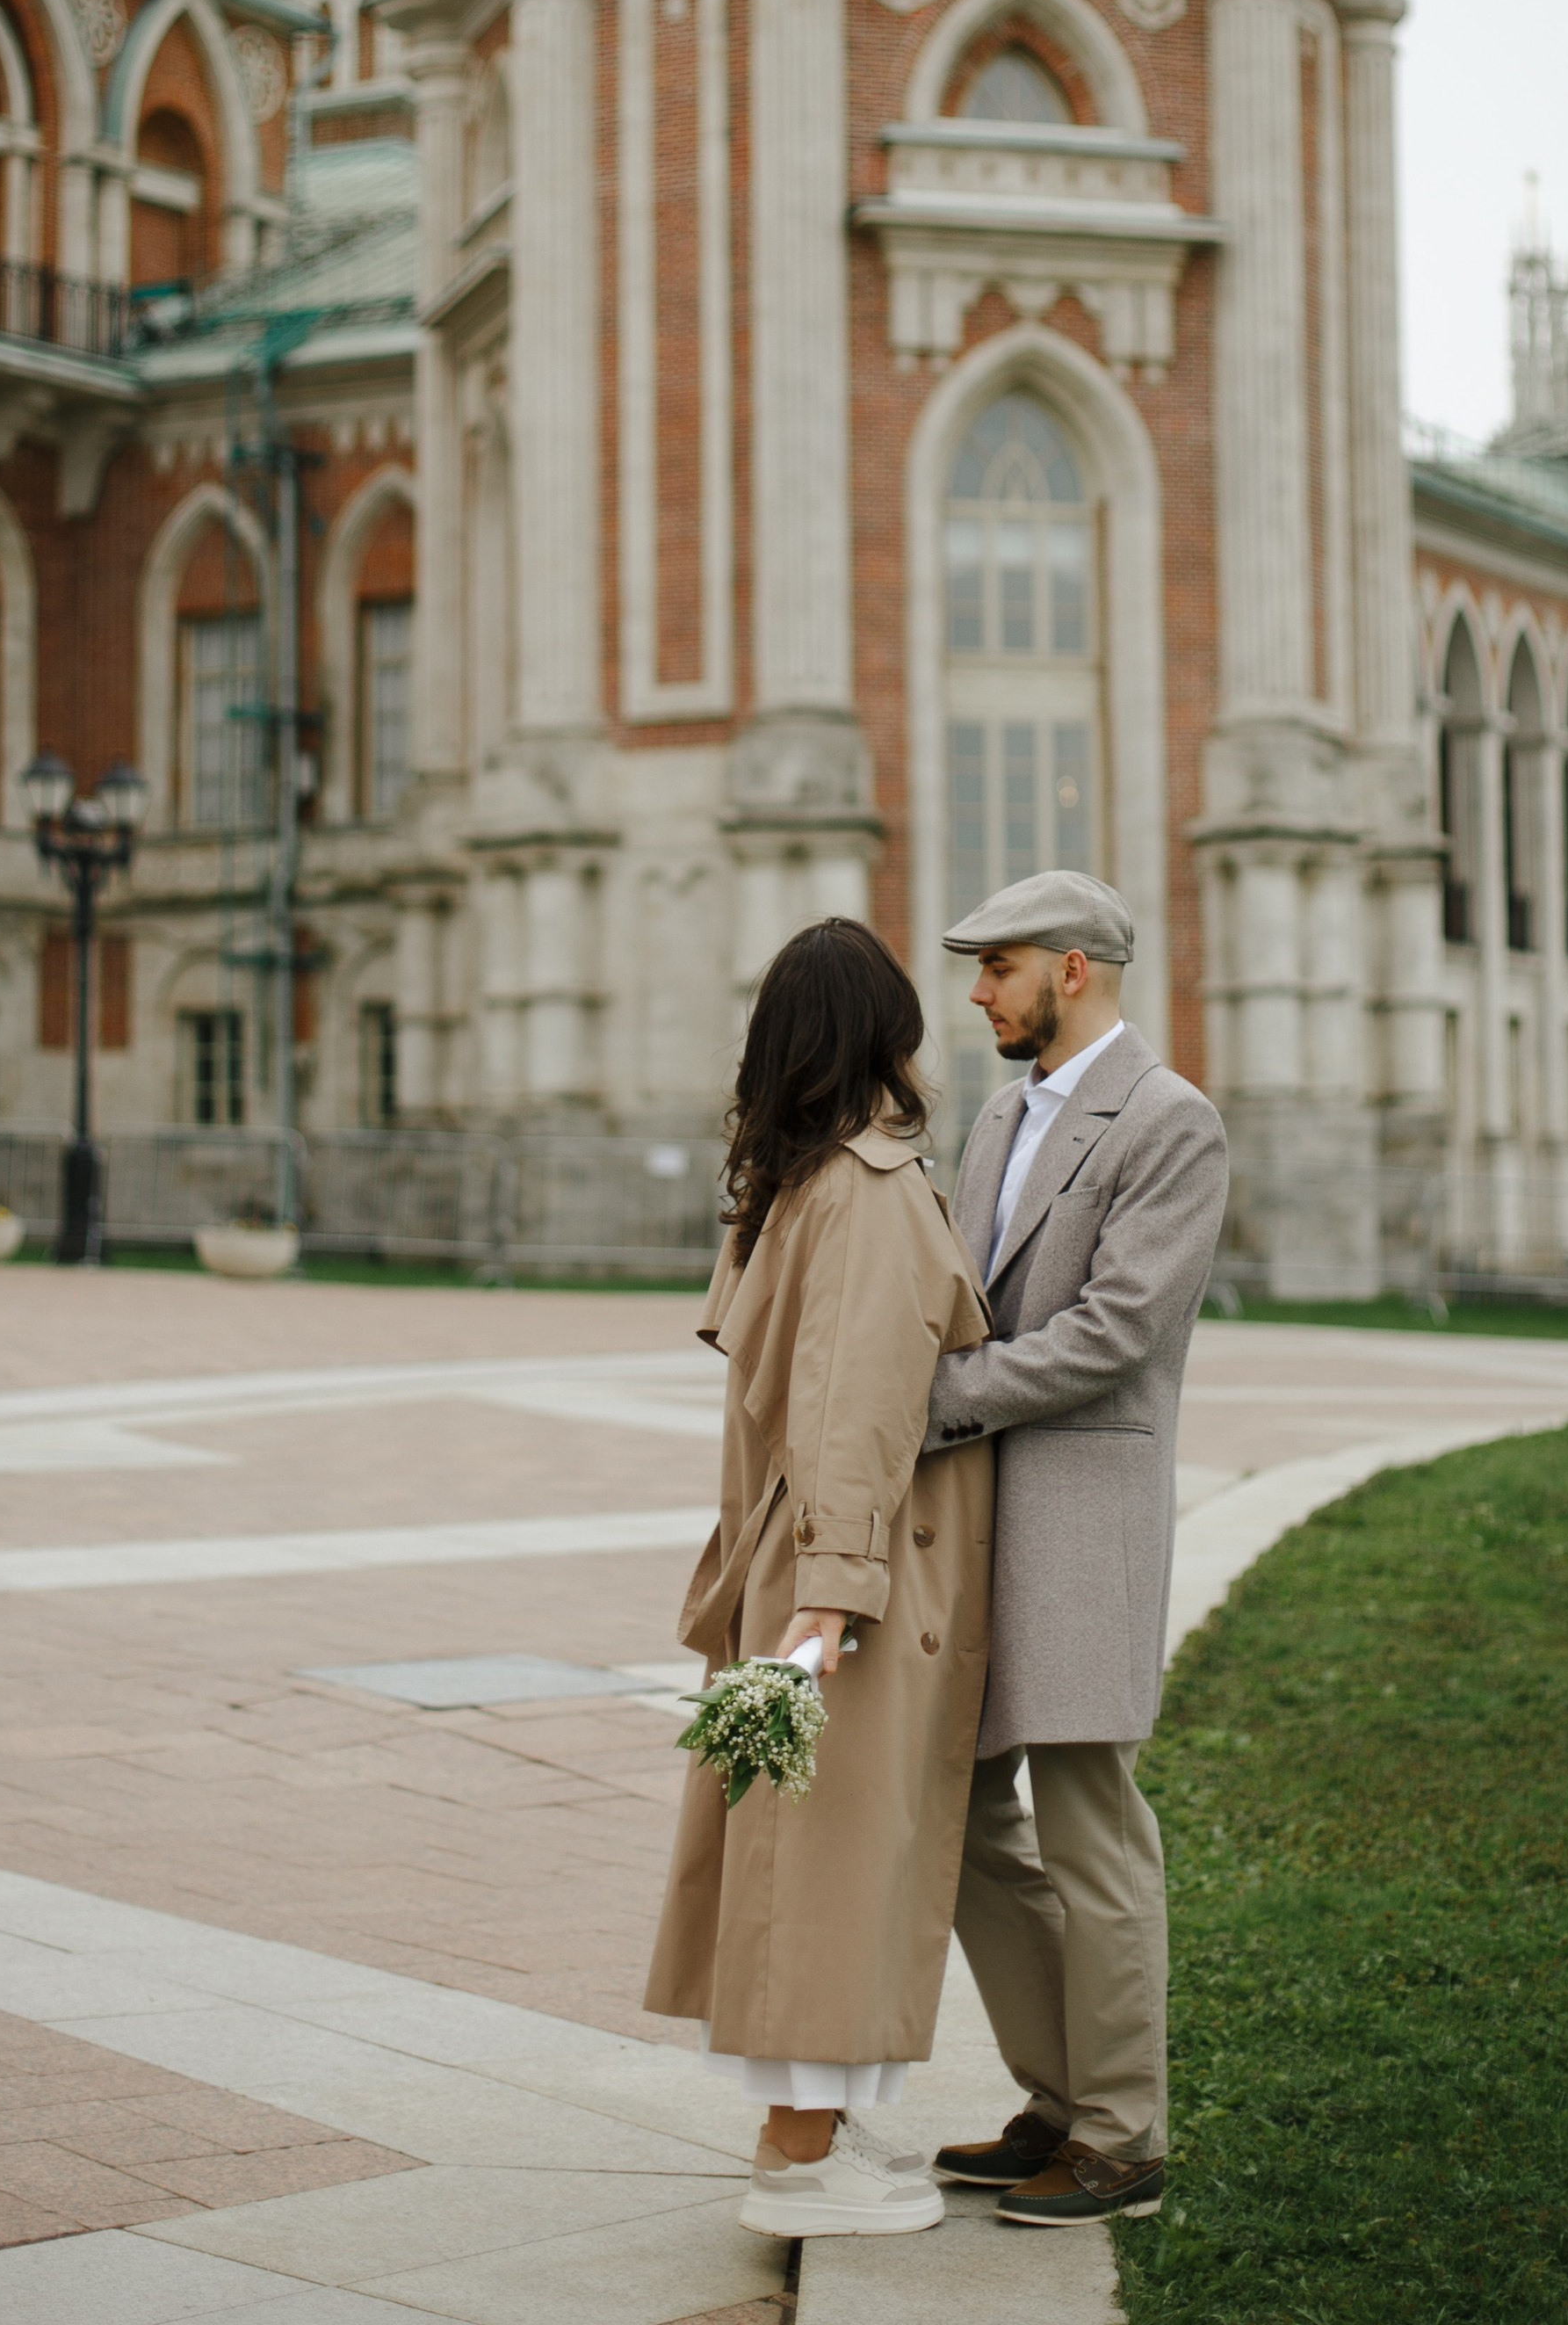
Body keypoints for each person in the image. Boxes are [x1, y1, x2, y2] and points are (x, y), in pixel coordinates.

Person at [645, 915, 997, 2240]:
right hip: (846, 1565)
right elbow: (853, 1402)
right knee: (832, 1854)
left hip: (801, 1553)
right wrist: (837, 1594)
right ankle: (798, 2158)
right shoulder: (865, 1186)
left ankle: (817, 2134)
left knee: (808, 1845)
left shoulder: (791, 1181)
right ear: (879, 1035)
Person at [921, 870, 1228, 2228]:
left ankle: (1125, 2135)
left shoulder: (1171, 1123)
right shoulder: (998, 1114)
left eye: (998, 968)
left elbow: (1115, 1332)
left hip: (1083, 1520)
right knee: (977, 1822)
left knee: (1092, 1827)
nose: (979, 992)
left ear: (1074, 970)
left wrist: (944, 1401)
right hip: (977, 1521)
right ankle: (1058, 2099)